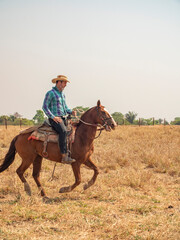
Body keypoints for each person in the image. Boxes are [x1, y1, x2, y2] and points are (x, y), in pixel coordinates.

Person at [42, 75, 76, 164]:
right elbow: (45, 107)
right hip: (55, 119)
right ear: (59, 82)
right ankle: (64, 156)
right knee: (63, 131)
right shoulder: (51, 93)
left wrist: (71, 112)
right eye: (64, 83)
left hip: (63, 118)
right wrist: (53, 117)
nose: (65, 85)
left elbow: (65, 108)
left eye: (65, 83)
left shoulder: (62, 94)